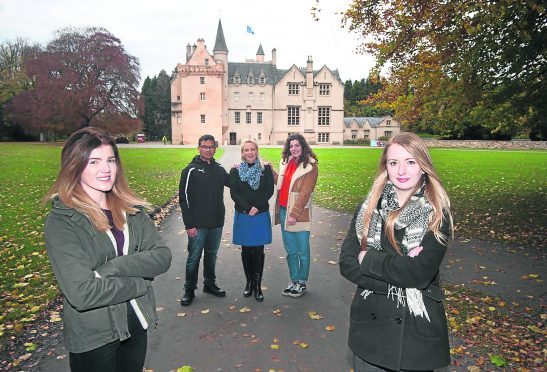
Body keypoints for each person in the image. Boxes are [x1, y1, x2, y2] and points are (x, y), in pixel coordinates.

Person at [43, 127, 172, 372]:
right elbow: (83, 293)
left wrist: (112, 268)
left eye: (111, 160)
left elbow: (162, 256)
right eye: (94, 161)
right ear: (75, 166)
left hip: (136, 323)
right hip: (95, 335)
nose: (106, 169)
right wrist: (139, 283)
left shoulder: (131, 210)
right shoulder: (63, 221)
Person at [339, 132, 454, 371]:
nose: (401, 171)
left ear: (423, 166)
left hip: (415, 335)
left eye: (410, 162)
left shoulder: (437, 214)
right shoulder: (368, 208)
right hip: (370, 331)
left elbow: (419, 274)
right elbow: (347, 264)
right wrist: (397, 277)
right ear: (386, 167)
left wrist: (369, 259)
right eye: (394, 162)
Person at [179, 134, 229, 306]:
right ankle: (189, 289)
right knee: (194, 257)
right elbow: (183, 199)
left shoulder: (219, 169)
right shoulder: (190, 170)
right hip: (198, 224)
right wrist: (189, 224)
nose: (208, 150)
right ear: (199, 148)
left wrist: (245, 168)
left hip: (216, 222)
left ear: (215, 148)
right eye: (205, 146)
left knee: (211, 255)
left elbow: (234, 184)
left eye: (211, 147)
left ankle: (209, 284)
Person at [272, 134, 318, 298]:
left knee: (302, 251)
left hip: (299, 214)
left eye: (297, 145)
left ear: (303, 146)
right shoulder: (287, 163)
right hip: (284, 210)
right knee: (291, 251)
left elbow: (305, 193)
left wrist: (294, 214)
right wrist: (270, 170)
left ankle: (302, 282)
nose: (294, 149)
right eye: (291, 146)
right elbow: (281, 185)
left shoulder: (311, 166)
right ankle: (294, 280)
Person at [229, 139, 274, 302]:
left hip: (260, 214)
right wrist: (248, 208)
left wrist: (256, 206)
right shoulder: (235, 170)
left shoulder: (266, 168)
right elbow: (234, 193)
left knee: (258, 251)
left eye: (253, 149)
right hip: (243, 214)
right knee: (246, 250)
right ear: (242, 152)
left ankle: (257, 285)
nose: (250, 152)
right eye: (246, 150)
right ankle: (249, 282)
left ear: (257, 150)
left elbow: (269, 190)